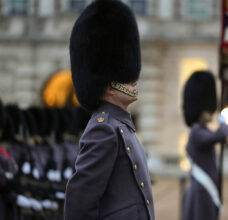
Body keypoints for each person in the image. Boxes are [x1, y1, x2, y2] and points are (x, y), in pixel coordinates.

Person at [64, 0, 154, 219]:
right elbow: (79, 203)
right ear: (109, 86)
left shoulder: (121, 126)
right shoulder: (103, 130)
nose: (134, 81)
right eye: (126, 76)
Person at [181, 71, 228, 220]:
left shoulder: (202, 130)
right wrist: (224, 124)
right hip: (202, 191)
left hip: (206, 189)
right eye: (208, 110)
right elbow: (217, 137)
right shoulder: (196, 132)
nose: (211, 112)